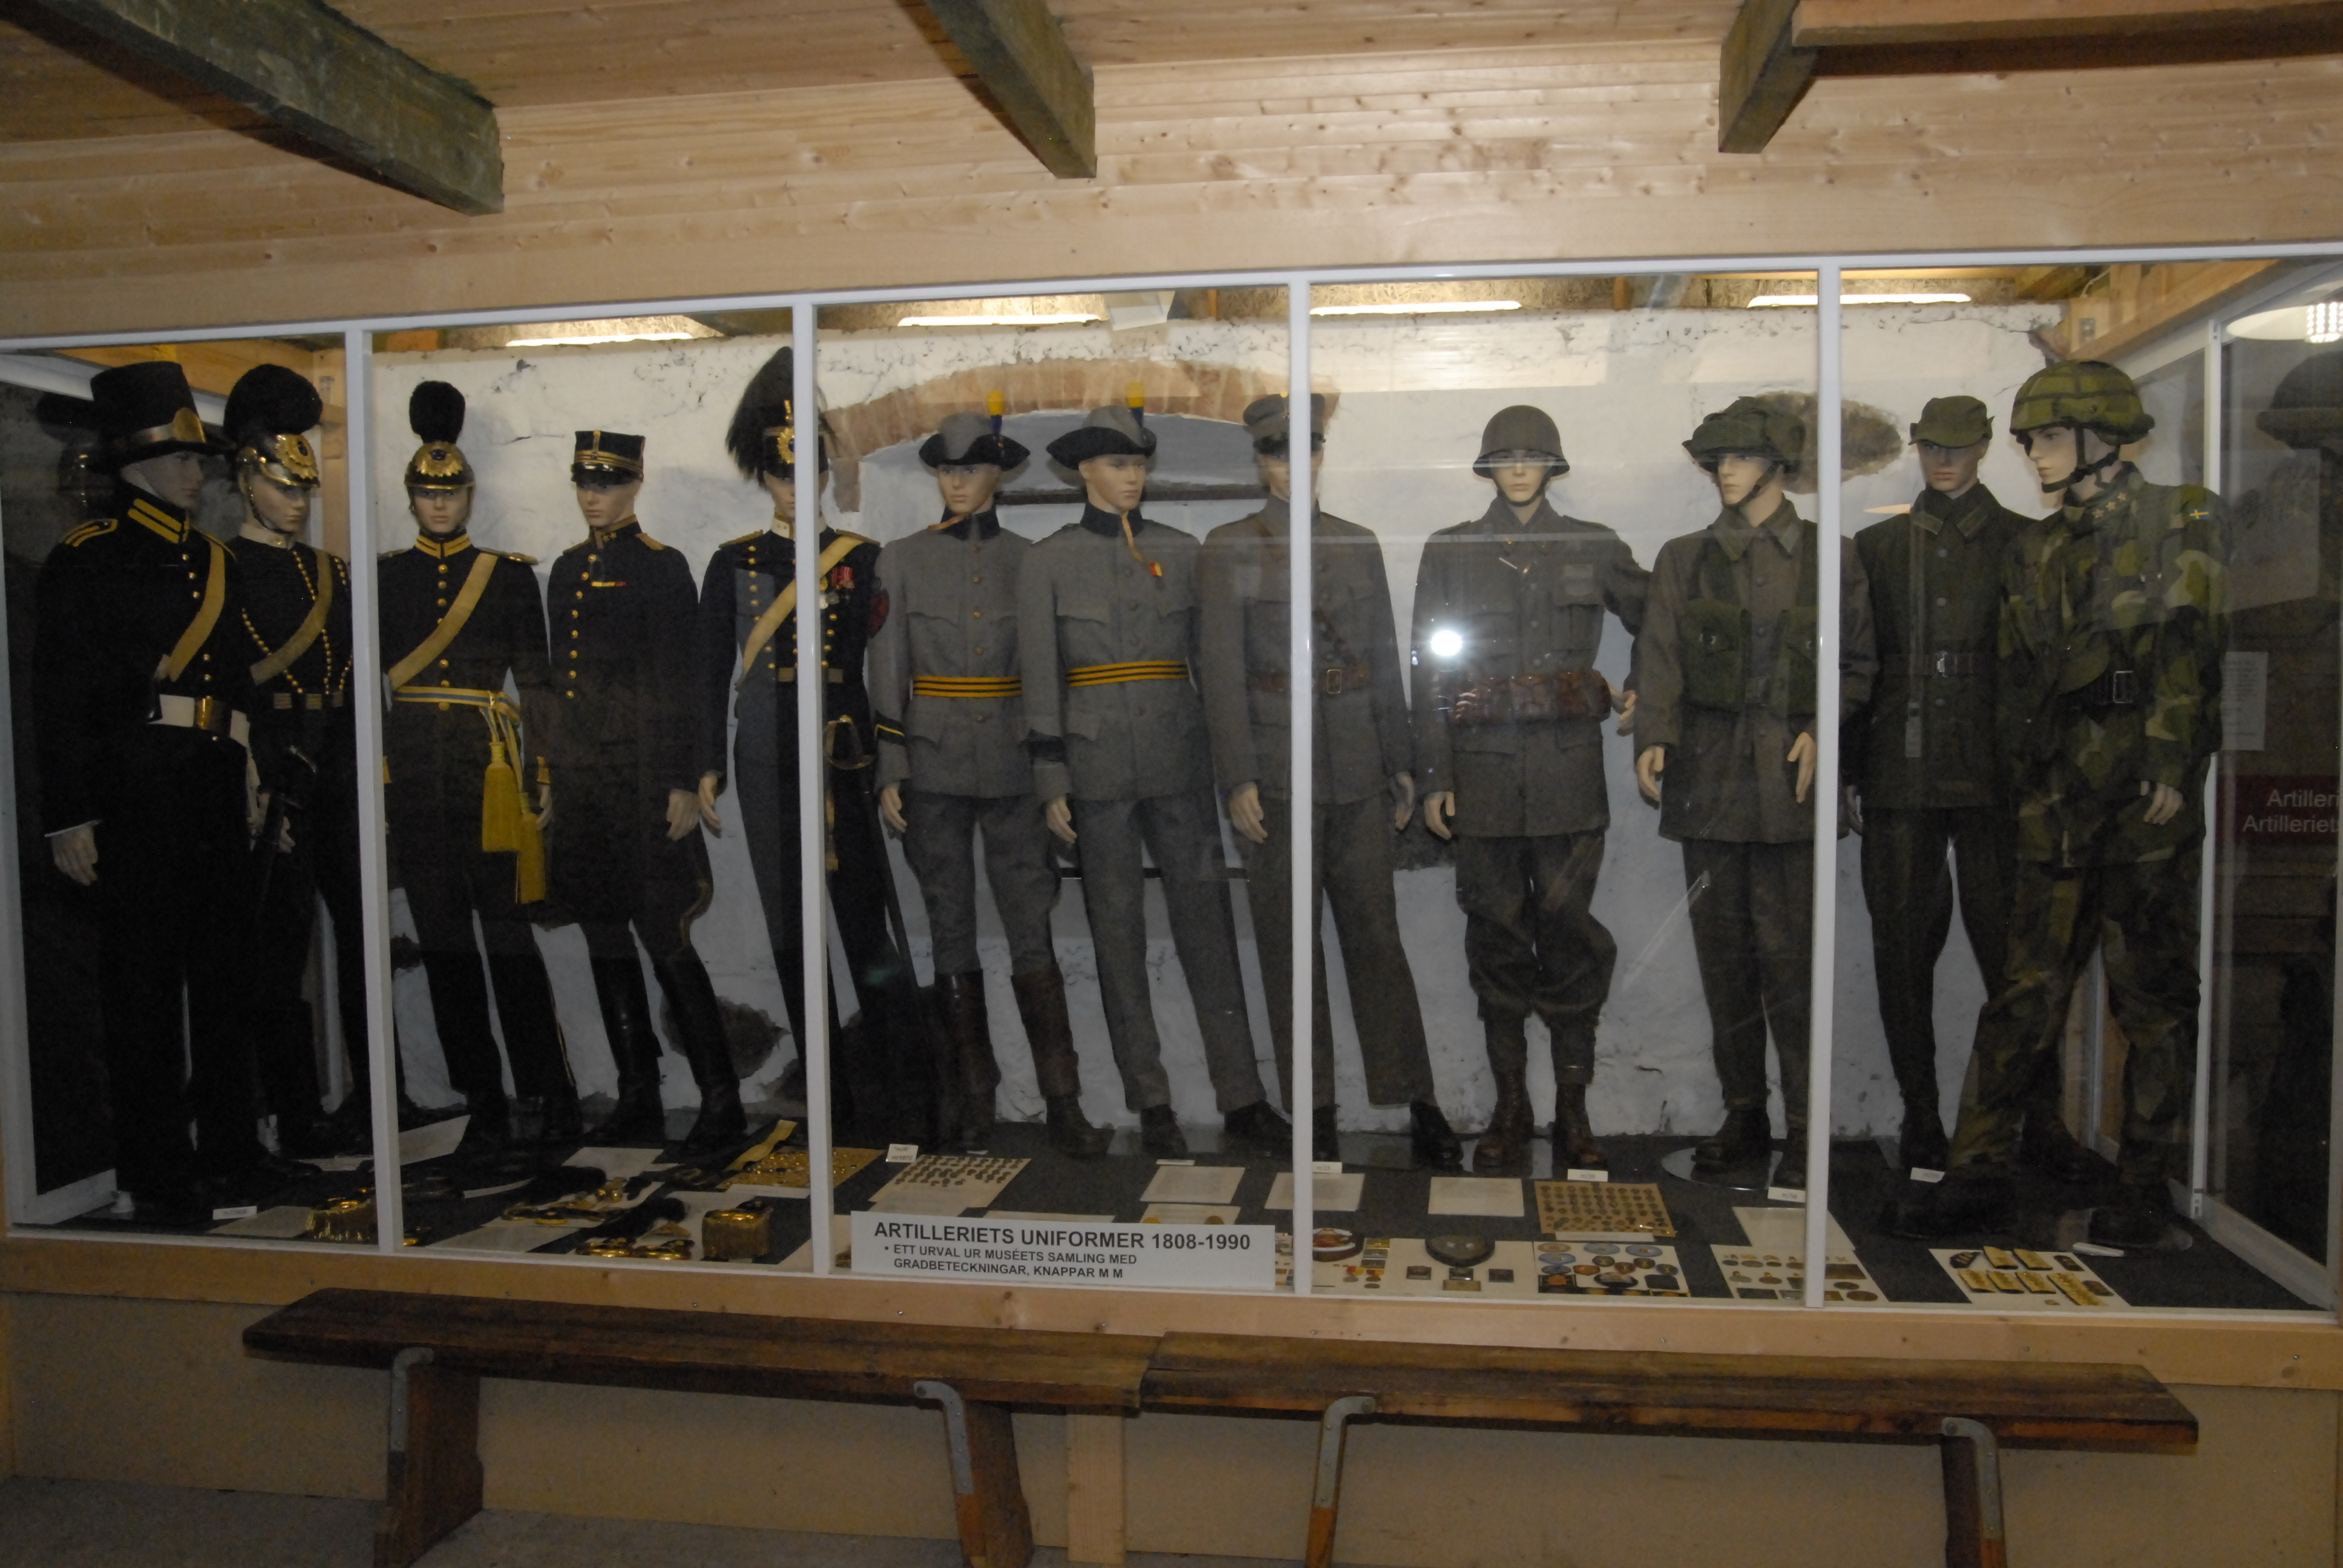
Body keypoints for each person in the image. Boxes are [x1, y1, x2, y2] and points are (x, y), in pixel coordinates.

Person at [1900, 361, 2227, 1247]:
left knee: (2151, 998)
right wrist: (2019, 779)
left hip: (2142, 801)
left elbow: (2193, 648)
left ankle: (2143, 1189)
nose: (2035, 455)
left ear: (2101, 438)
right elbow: (2016, 675)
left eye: (2048, 438)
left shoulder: (2178, 518)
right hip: (2056, 801)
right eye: (2029, 440)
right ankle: (1977, 1173)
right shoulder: (2038, 547)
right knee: (2023, 994)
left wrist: (2170, 760)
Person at [33, 360, 290, 1221]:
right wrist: (70, 816)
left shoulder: (211, 559)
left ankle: (229, 1149)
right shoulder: (89, 559)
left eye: (197, 460)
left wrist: (255, 771)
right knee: (142, 990)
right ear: (137, 464)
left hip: (212, 785)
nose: (196, 474)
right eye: (182, 459)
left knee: (225, 978)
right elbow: (60, 698)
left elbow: (238, 685)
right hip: (137, 791)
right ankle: (158, 1172)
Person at [1017, 400, 1285, 1158]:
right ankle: (1152, 1102)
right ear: (1083, 470)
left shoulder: (1184, 550)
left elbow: (1214, 667)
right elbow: (1040, 675)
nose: (1131, 476)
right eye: (1116, 464)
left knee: (1209, 931)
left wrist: (1232, 769)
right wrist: (1051, 777)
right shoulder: (1048, 562)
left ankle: (1242, 1096)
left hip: (1179, 760)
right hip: (1095, 767)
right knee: (1117, 936)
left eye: (1138, 463)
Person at [1199, 392, 1460, 1169]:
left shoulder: (1356, 543)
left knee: (1377, 939)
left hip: (1356, 767)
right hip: (1275, 774)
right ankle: (1311, 1110)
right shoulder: (1229, 547)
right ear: (1260, 461)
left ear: (1319, 456)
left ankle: (1416, 1097)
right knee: (1289, 948)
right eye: (1275, 453)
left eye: (1304, 450)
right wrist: (1237, 776)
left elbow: (1381, 655)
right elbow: (1220, 672)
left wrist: (1400, 759)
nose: (1291, 465)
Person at [695, 348, 935, 1143]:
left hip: (842, 755)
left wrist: (890, 759)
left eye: (809, 474)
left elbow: (886, 668)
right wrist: (706, 764)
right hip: (766, 758)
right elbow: (709, 673)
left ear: (827, 476)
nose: (797, 488)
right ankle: (830, 1098)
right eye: (782, 476)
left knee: (864, 924)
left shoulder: (860, 560)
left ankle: (904, 1092)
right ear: (765, 479)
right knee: (791, 930)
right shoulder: (735, 563)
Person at [1634, 397, 1876, 1182]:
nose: (1725, 471)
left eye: (1740, 456)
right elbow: (1660, 656)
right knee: (1724, 963)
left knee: (1792, 965)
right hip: (1709, 787)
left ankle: (1804, 1126)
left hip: (1790, 789)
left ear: (1776, 462)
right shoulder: (1685, 559)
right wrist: (1654, 735)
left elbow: (1857, 664)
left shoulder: (1830, 557)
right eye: (1717, 459)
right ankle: (1744, 1112)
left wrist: (1824, 726)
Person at [1409, 405, 1648, 1172]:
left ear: (1551, 465)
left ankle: (1572, 1111)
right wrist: (1436, 776)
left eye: (1531, 456)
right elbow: (1429, 670)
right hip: (1481, 778)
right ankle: (1509, 1107)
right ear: (1487, 467)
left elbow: (1661, 617)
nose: (1518, 468)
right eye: (1505, 457)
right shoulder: (1450, 551)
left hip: (1566, 776)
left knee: (1569, 937)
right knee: (1496, 940)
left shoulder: (1592, 545)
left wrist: (1647, 688)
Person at [868, 406, 1111, 1156]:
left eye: (971, 468)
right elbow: (886, 667)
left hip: (1012, 760)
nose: (958, 482)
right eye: (947, 470)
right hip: (934, 761)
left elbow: (1047, 671)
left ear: (997, 475)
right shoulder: (900, 559)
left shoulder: (1029, 561)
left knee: (1030, 924)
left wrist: (1051, 770)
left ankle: (1062, 1100)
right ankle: (972, 1098)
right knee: (948, 927)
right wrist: (892, 766)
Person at [380, 382, 572, 1156]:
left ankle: (549, 1091)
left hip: (492, 777)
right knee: (443, 945)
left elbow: (539, 683)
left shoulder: (508, 576)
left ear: (470, 496)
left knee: (509, 940)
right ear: (411, 497)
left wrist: (543, 772)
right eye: (428, 494)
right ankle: (482, 1099)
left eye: (452, 492)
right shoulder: (383, 579)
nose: (440, 504)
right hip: (415, 779)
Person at [1847, 396, 2033, 1177]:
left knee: (2013, 952)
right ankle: (1920, 1114)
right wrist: (1852, 769)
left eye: (1958, 448)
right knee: (1900, 951)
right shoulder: (1878, 547)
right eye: (1931, 448)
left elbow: (2038, 665)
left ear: (1985, 447)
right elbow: (1858, 664)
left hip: (1995, 768)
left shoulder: (2025, 542)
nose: (1944, 461)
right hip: (1901, 764)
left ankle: (2028, 1118)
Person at [543, 430, 741, 1158]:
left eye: (606, 483)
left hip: (643, 782)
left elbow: (684, 679)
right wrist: (549, 775)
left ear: (633, 485)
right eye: (583, 483)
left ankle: (721, 1098)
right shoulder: (567, 570)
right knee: (603, 938)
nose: (592, 496)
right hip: (584, 787)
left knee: (666, 937)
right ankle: (638, 1094)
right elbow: (558, 687)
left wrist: (684, 779)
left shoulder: (662, 567)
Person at [220, 364, 372, 1158]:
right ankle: (295, 1110)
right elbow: (227, 687)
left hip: (335, 768)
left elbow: (352, 682)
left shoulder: (330, 573)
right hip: (270, 770)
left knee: (360, 940)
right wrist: (259, 780)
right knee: (275, 955)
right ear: (247, 479)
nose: (297, 502)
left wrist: (362, 778)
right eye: (283, 487)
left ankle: (377, 1094)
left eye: (305, 490)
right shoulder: (222, 570)